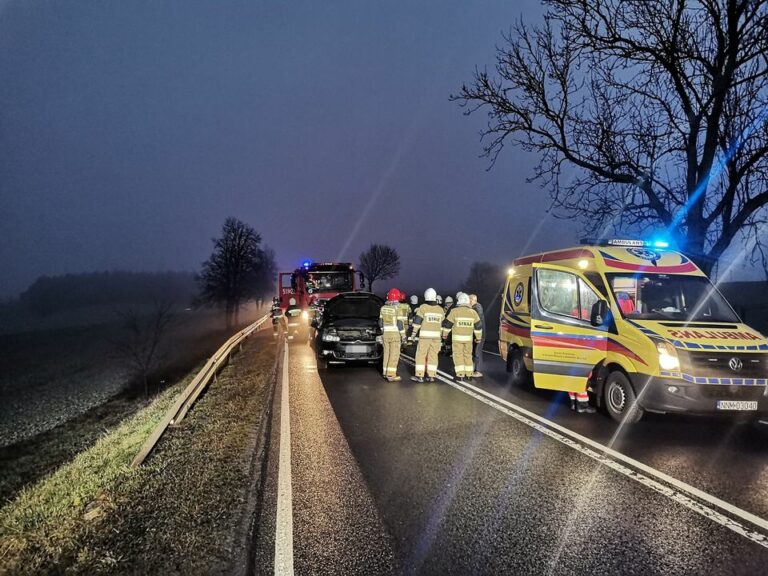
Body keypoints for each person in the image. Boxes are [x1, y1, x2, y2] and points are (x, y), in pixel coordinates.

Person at [443, 293, 483, 381]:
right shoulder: (473, 312)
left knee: (458, 356)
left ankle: (460, 374)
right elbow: (478, 327)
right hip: (468, 340)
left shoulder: (454, 311)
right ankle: (469, 374)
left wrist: (444, 335)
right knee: (468, 356)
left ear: (459, 301)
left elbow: (448, 325)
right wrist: (478, 337)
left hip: (457, 340)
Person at [410, 288, 445, 382]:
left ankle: (420, 375)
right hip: (436, 337)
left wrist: (413, 334)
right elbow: (443, 325)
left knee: (421, 355)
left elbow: (417, 322)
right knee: (433, 355)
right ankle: (432, 375)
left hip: (425, 337)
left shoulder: (423, 307)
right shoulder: (440, 310)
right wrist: (442, 336)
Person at [379, 288, 406, 381]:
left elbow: (380, 322)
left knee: (386, 353)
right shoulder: (398, 309)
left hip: (385, 334)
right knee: (394, 354)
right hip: (395, 335)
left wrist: (383, 331)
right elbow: (400, 324)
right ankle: (391, 375)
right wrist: (403, 336)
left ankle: (385, 372)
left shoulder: (383, 308)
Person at [468, 294, 486, 378]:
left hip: (479, 335)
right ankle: (473, 369)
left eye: (469, 300)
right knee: (474, 352)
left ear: (472, 300)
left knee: (476, 352)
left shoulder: (477, 308)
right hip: (477, 334)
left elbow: (477, 323)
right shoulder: (476, 308)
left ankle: (476, 370)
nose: (468, 302)